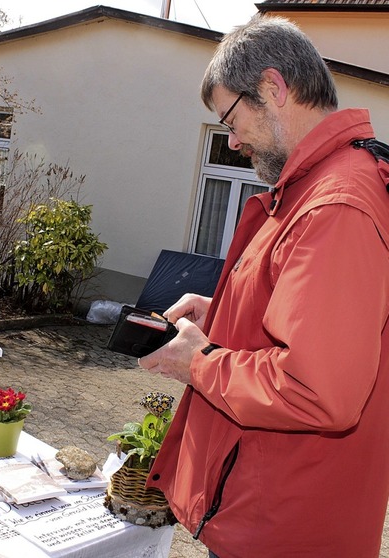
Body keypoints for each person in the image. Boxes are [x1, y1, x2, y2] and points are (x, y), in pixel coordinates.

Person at [139, 14, 389, 558]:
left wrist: (199, 362)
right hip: (271, 510)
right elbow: (293, 316)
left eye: (231, 117)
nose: (231, 143)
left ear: (273, 89)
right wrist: (220, 315)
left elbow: (317, 391)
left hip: (286, 527)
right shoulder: (311, 188)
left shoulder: (334, 204)